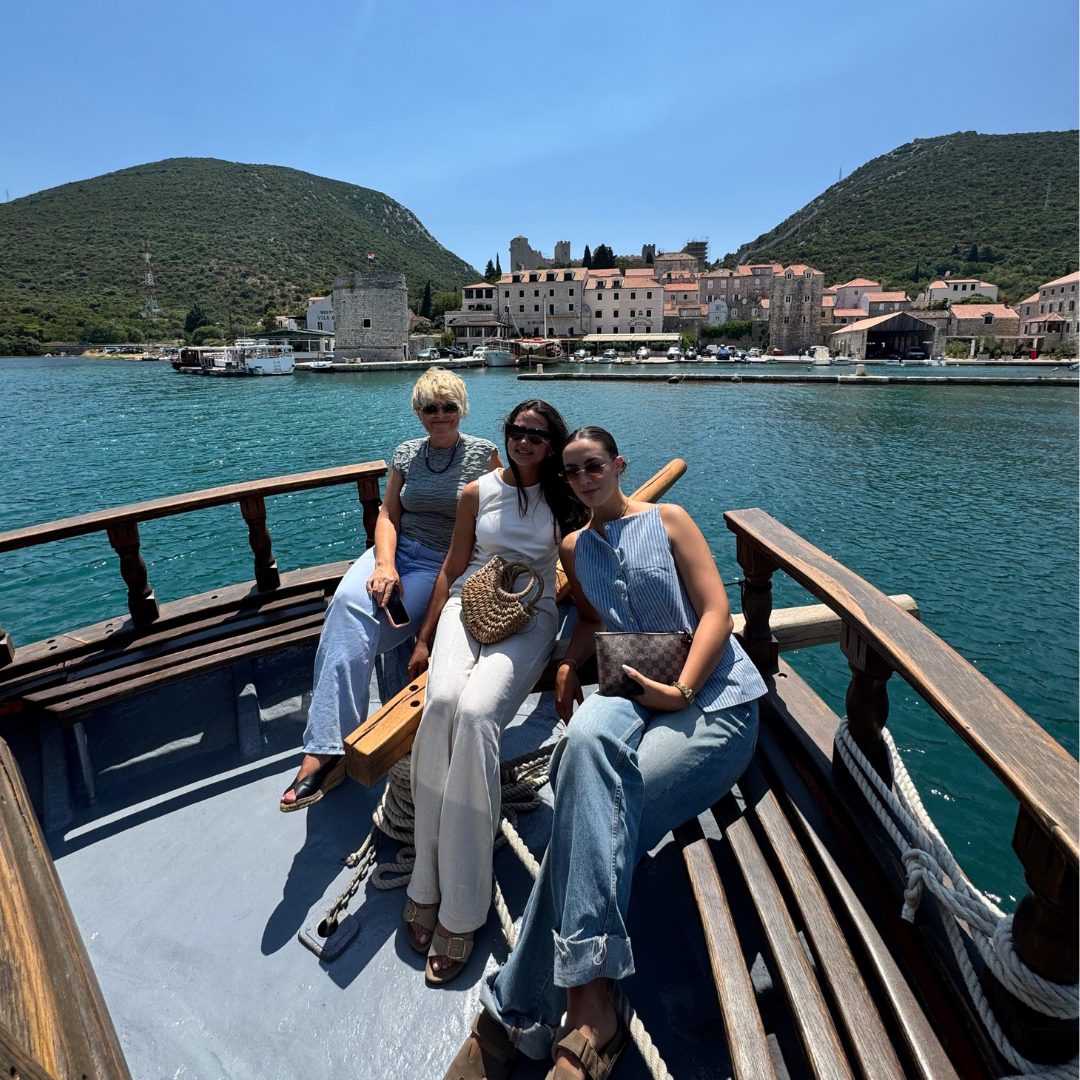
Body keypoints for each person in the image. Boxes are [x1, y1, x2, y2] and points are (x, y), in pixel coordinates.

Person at [442, 426, 768, 1080]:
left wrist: (681, 689)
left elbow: (714, 613)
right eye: (573, 471)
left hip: (711, 695)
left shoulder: (667, 519)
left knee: (588, 823)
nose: (586, 477)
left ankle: (513, 1015)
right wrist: (570, 664)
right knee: (587, 734)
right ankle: (590, 1010)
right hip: (631, 676)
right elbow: (595, 617)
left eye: (595, 465)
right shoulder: (573, 546)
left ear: (618, 466)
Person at [403, 400, 586, 985]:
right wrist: (426, 637)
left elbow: (588, 570)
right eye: (516, 431)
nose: (524, 440)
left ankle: (461, 905)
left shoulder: (565, 499)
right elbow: (454, 567)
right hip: (468, 606)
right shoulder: (476, 492)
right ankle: (425, 881)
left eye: (536, 434)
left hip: (532, 615)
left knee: (479, 715)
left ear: (552, 443)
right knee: (442, 707)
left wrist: (573, 656)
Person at [279, 368, 499, 811]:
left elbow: (510, 505)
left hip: (440, 562)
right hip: (396, 553)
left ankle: (328, 749)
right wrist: (383, 563)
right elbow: (387, 515)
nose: (440, 416)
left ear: (462, 410)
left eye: (448, 407)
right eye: (430, 408)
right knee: (344, 606)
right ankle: (329, 745)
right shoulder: (404, 453)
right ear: (418, 412)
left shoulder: (484, 454)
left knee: (360, 635)